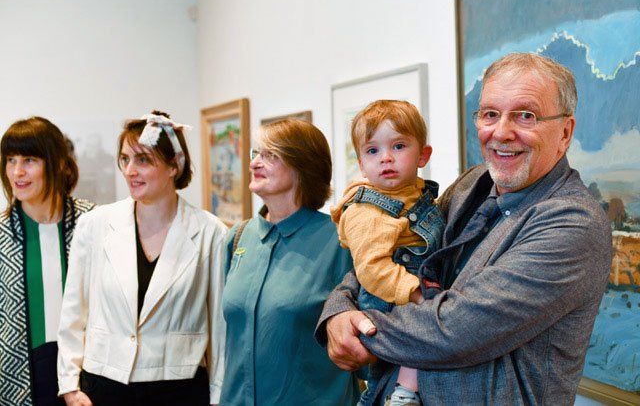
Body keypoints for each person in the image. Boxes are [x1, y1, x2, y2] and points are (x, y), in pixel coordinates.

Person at [316, 53, 613, 404]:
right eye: (490, 114)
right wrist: (337, 310)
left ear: (565, 132)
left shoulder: (573, 223)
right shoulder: (473, 184)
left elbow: (456, 329)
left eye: (526, 115)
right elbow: (396, 253)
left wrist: (360, 328)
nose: (501, 132)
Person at [57, 111, 228, 405]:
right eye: (125, 159)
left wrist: (219, 397)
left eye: (143, 160)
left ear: (174, 164)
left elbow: (221, 329)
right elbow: (73, 313)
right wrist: (70, 386)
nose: (130, 170)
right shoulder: (95, 225)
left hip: (179, 389)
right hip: (104, 385)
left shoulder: (211, 232)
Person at [220, 118, 359, 405]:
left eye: (270, 155)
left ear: (303, 165)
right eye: (255, 154)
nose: (255, 163)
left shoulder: (340, 240)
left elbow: (362, 347)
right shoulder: (238, 238)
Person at [330, 100, 444, 406]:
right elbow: (372, 270)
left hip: (410, 292)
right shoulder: (368, 211)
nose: (386, 159)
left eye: (398, 146)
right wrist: (418, 294)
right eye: (373, 151)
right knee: (420, 332)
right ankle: (404, 393)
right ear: (361, 162)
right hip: (389, 300)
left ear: (423, 155)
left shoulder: (414, 193)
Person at [0, 117, 95, 406]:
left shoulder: (93, 223)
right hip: (19, 379)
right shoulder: (2, 233)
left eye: (29, 159)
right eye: (10, 160)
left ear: (56, 163)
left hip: (87, 375)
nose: (18, 171)